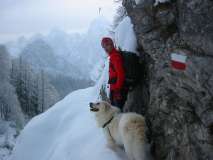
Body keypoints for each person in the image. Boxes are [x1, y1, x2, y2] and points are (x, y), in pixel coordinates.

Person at [101, 37, 128, 111]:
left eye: (107, 45)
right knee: (115, 111)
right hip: (115, 89)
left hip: (118, 90)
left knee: (117, 112)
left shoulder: (115, 57)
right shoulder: (112, 56)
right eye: (104, 47)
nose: (105, 49)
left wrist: (117, 89)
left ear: (112, 45)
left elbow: (121, 74)